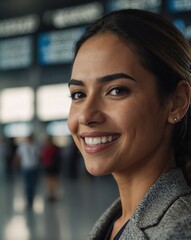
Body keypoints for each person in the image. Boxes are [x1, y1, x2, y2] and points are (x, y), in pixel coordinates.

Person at [67, 9, 191, 239]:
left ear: (176, 102)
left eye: (116, 90)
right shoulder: (117, 220)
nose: (85, 116)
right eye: (78, 94)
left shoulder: (179, 230)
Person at [15, 134, 40, 209]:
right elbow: (19, 156)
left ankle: (32, 199)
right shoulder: (22, 146)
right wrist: (15, 164)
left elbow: (38, 156)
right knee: (27, 185)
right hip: (25, 167)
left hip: (34, 167)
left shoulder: (35, 146)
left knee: (33, 184)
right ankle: (28, 200)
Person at [40, 136, 61, 201]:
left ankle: (51, 194)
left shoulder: (46, 148)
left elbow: (42, 158)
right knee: (51, 181)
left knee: (51, 181)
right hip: (51, 166)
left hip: (50, 166)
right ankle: (51, 194)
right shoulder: (55, 148)